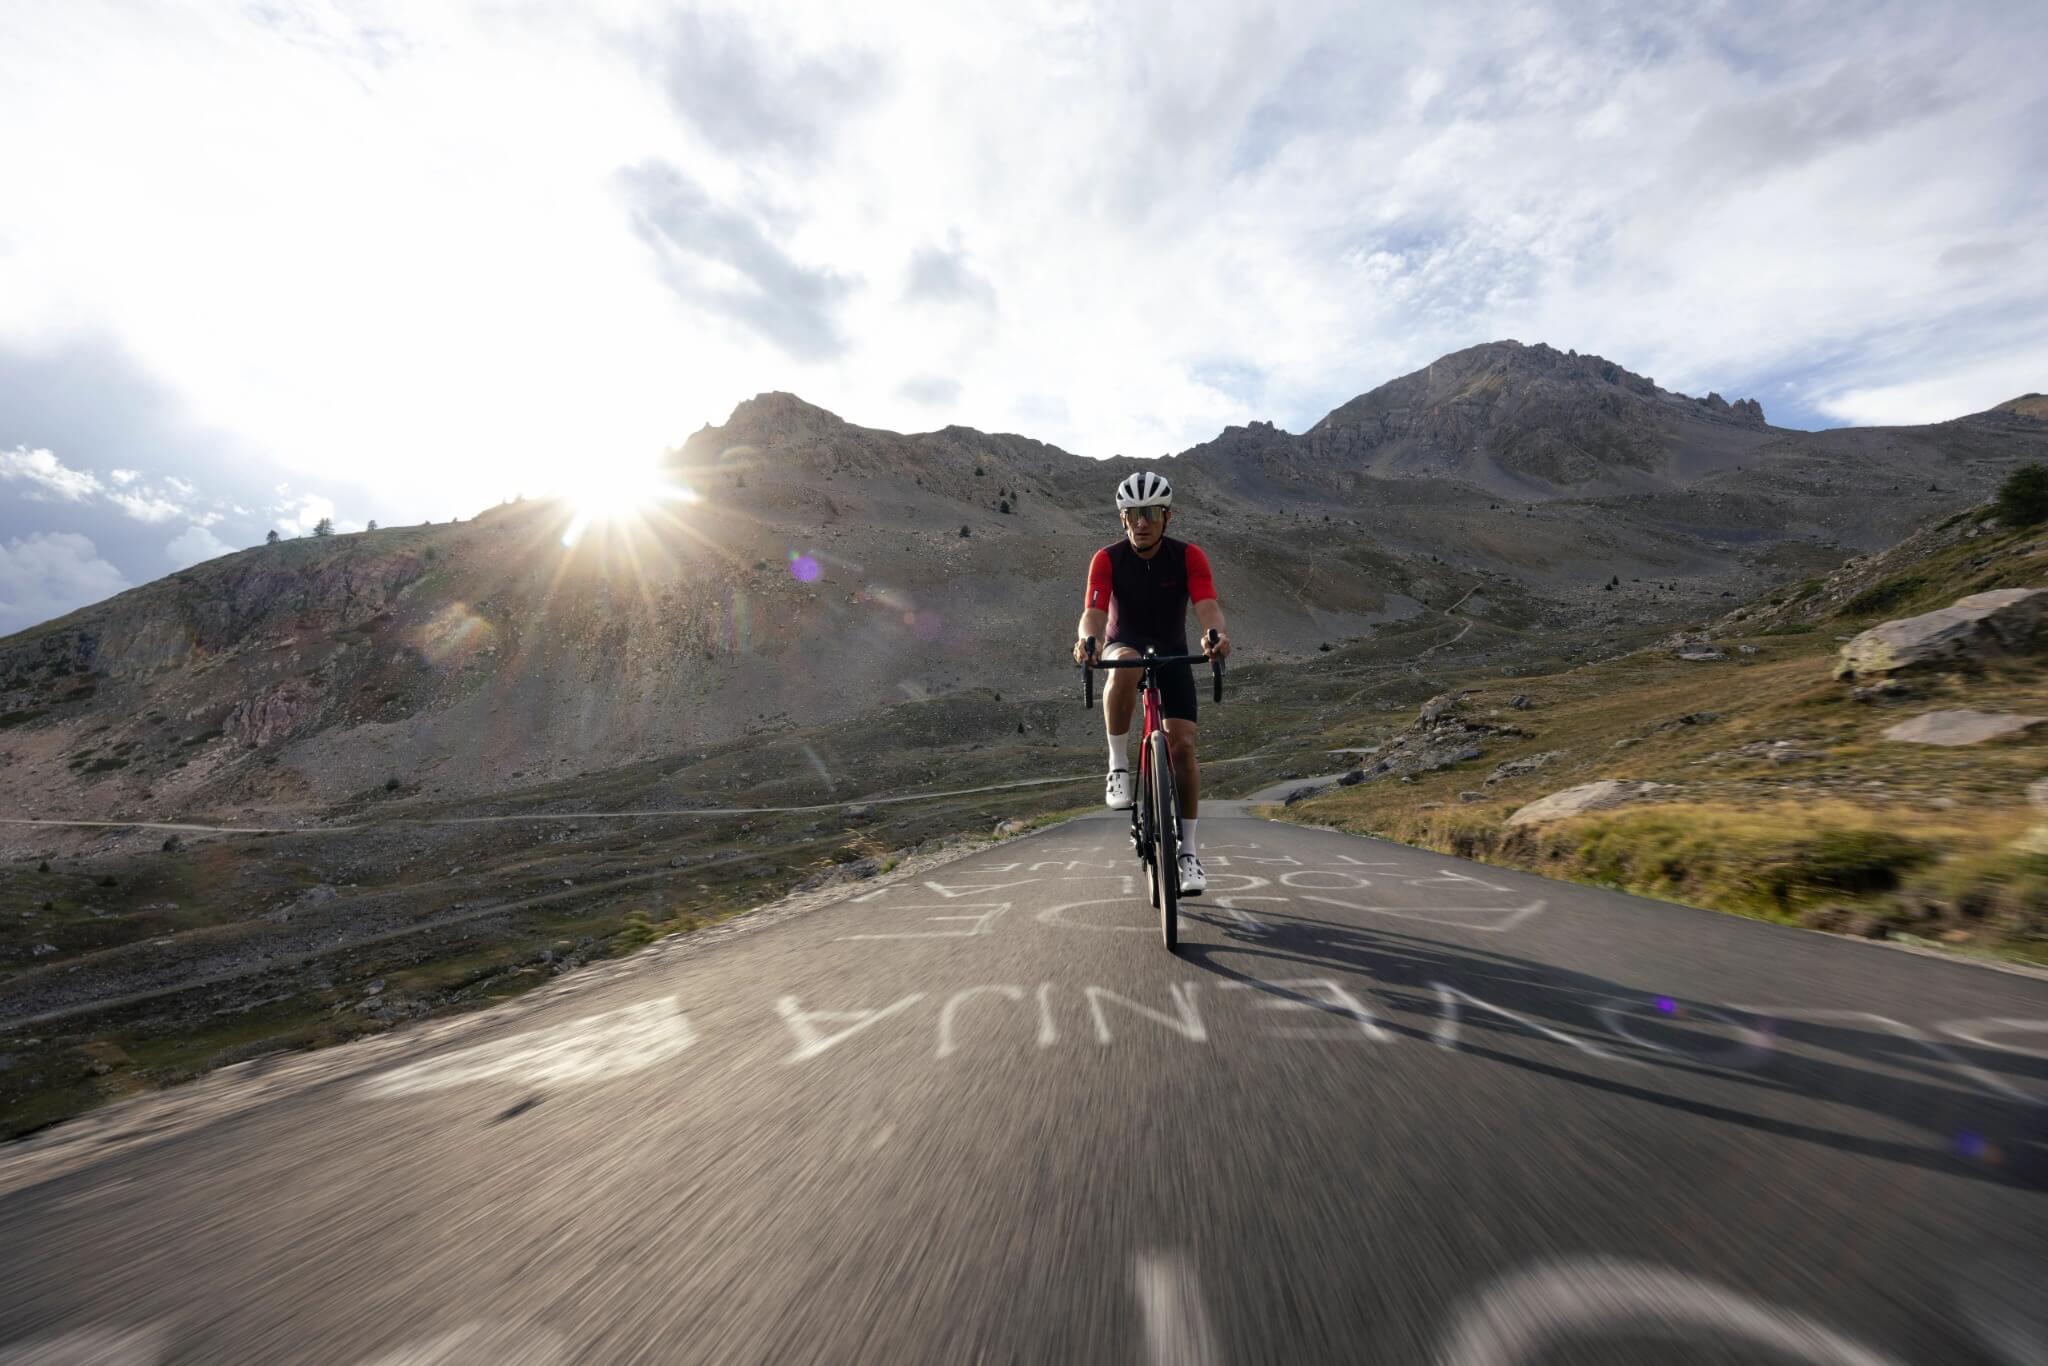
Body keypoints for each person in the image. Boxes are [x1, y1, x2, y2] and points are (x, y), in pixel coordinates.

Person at [1071, 470, 1230, 894]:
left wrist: (1214, 636)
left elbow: (1207, 605)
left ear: (1166, 517)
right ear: (1123, 519)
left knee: (1183, 746)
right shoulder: (1107, 558)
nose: (1141, 523)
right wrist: (1087, 639)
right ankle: (1118, 767)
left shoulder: (1188, 556)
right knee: (1125, 663)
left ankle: (1189, 853)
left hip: (1173, 652)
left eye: (1151, 514)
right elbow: (1094, 611)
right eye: (1133, 514)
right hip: (1123, 645)